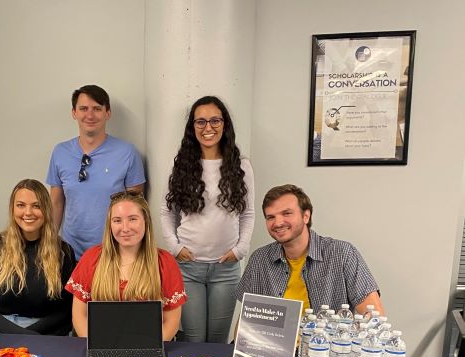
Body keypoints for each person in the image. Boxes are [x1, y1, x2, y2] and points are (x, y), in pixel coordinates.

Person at [160, 96, 255, 343]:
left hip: (226, 268)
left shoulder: (241, 166)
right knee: (193, 339)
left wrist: (241, 249)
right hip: (188, 268)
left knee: (217, 340)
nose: (208, 128)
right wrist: (174, 247)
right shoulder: (180, 165)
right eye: (200, 122)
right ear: (192, 127)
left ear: (225, 124)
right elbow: (166, 211)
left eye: (215, 120)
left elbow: (248, 212)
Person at [235, 184, 384, 315]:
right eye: (270, 217)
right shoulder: (259, 259)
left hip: (323, 345)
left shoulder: (342, 253)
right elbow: (246, 321)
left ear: (306, 216)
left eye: (287, 213)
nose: (278, 222)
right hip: (271, 346)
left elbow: (374, 316)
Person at [66, 191, 187, 341]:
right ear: (109, 225)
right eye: (117, 220)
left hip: (148, 345)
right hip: (100, 344)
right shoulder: (92, 258)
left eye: (132, 219)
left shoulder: (164, 262)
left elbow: (171, 322)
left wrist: (148, 349)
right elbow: (79, 316)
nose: (125, 228)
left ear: (146, 221)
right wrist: (96, 346)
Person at [46, 84, 146, 260]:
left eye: (97, 109)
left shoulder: (127, 153)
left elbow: (137, 207)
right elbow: (56, 203)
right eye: (83, 109)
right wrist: (50, 242)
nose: (90, 115)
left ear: (108, 113)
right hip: (71, 253)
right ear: (74, 113)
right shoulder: (60, 152)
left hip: (114, 252)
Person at [0, 179, 75, 335]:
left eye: (36, 206)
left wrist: (30, 336)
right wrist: (19, 335)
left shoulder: (63, 251)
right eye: (21, 205)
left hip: (44, 333)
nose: (28, 212)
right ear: (12, 209)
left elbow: (66, 309)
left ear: (46, 209)